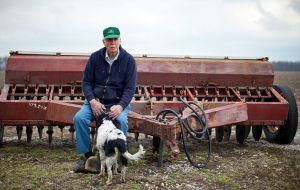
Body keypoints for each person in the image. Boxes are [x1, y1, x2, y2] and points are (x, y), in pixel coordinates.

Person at [72, 26, 137, 173]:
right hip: (96, 101)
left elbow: (130, 88)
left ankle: (121, 157)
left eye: (115, 39)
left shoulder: (129, 60)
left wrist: (120, 106)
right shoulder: (95, 57)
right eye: (109, 40)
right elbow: (86, 82)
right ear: (104, 41)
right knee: (79, 119)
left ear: (120, 40)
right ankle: (88, 156)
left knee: (120, 120)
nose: (112, 42)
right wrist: (92, 101)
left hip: (118, 102)